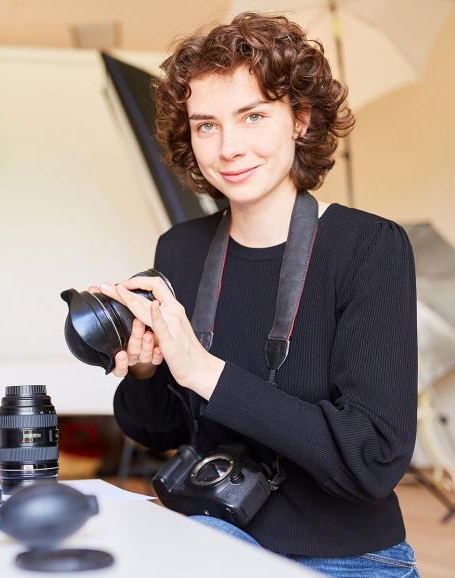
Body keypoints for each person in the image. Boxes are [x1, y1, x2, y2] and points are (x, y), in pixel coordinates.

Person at [95, 12, 419, 577]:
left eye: (253, 116)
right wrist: (146, 372)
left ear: (301, 119)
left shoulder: (368, 247)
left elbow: (373, 458)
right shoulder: (181, 250)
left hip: (348, 558)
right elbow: (159, 431)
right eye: (206, 125)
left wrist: (205, 372)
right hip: (219, 541)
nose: (228, 148)